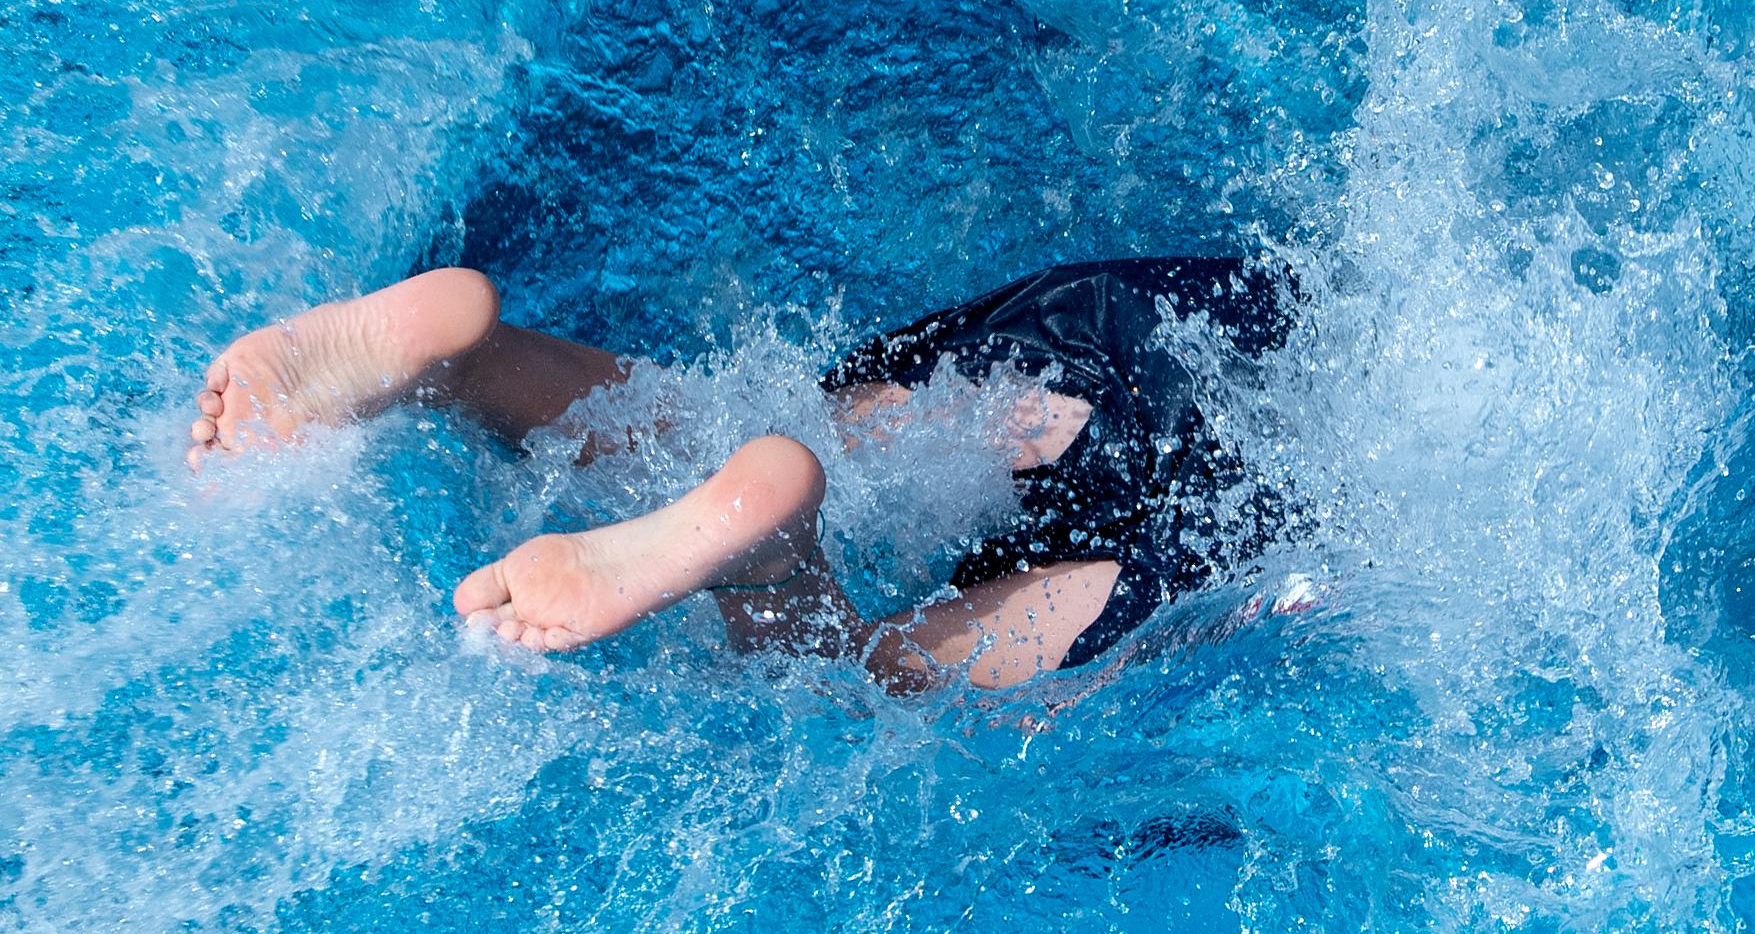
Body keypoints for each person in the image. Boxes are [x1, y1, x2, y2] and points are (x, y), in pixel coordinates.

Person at [187, 258, 1294, 690]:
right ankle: (771, 575)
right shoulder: (1442, 475)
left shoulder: (1329, 279)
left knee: (783, 425)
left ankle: (477, 360)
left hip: (1145, 332)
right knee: (909, 695)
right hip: (1264, 513)